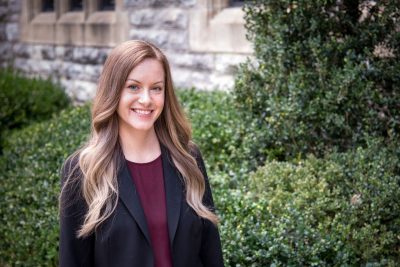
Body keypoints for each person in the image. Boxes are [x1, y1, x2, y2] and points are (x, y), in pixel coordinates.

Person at [59, 40, 224, 267]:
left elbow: (211, 252)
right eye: (133, 87)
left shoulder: (187, 159)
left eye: (156, 88)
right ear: (113, 90)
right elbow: (73, 261)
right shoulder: (83, 170)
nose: (146, 99)